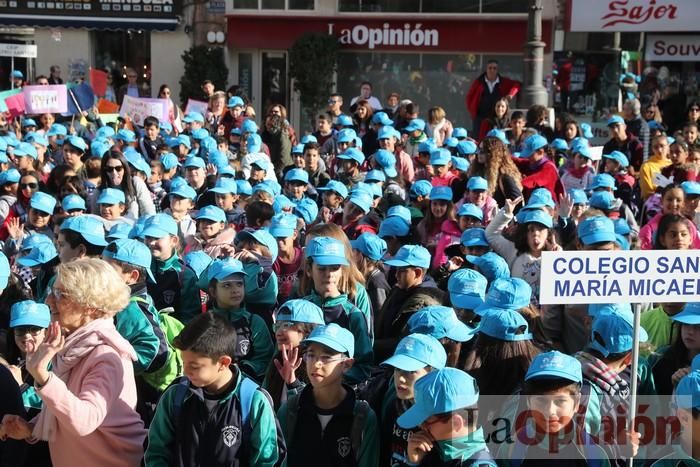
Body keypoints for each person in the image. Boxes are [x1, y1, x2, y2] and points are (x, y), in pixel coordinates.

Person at [0, 258, 147, 467]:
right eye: (52, 291)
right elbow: (65, 412)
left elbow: (84, 421)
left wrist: (43, 377)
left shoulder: (107, 356)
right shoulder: (74, 346)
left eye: (60, 294)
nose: (49, 301)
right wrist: (32, 427)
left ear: (90, 305)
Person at [146, 312, 286, 466]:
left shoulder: (254, 401)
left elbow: (267, 461)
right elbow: (156, 452)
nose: (185, 372)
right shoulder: (175, 395)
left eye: (194, 366)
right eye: (183, 362)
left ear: (223, 362)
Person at [278, 323, 379, 467]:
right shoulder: (290, 411)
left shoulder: (362, 418)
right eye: (311, 355)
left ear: (347, 364)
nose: (316, 364)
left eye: (326, 357)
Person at [498, 351, 611, 466]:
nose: (550, 411)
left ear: (576, 403)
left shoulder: (592, 454)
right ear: (528, 401)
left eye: (560, 401)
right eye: (541, 400)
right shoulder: (512, 450)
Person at [398, 367, 496, 466]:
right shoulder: (435, 451)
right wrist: (413, 462)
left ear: (456, 423)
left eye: (426, 421)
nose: (421, 426)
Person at [379, 333, 447, 466]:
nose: (400, 378)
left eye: (410, 371)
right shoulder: (395, 405)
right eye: (398, 369)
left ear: (433, 373)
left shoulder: (446, 419)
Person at [466, 59, 521, 136]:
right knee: (479, 138)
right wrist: (472, 111)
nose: (492, 70)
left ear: (497, 70)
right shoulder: (478, 82)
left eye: (494, 68)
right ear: (486, 69)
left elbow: (517, 85)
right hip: (480, 117)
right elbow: (469, 97)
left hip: (497, 118)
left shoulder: (503, 82)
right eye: (490, 68)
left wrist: (511, 94)